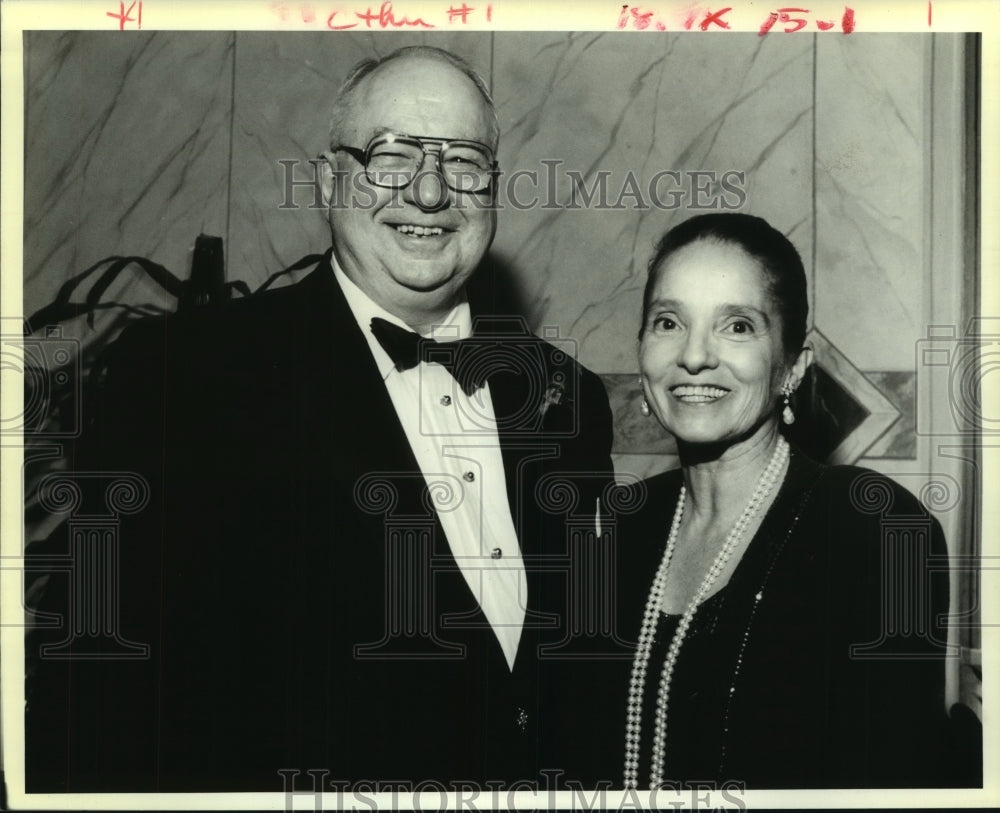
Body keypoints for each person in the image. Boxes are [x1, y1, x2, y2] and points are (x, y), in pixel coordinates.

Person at [25, 46, 614, 791]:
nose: (430, 191)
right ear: (332, 179)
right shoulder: (190, 374)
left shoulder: (567, 397)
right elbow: (95, 683)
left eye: (464, 160)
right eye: (391, 155)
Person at [609, 213, 957, 788]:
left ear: (792, 368)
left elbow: (894, 778)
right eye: (668, 321)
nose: (694, 356)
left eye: (738, 326)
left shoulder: (874, 529)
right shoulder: (614, 527)